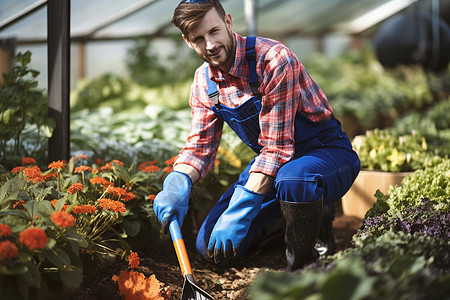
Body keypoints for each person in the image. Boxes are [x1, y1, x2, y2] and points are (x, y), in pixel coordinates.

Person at [154, 0, 360, 272]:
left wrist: (241, 210)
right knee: (209, 245)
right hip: (275, 165)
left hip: (323, 153)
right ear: (188, 41)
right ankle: (290, 221)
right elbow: (200, 148)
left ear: (228, 22)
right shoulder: (203, 83)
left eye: (214, 31)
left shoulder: (273, 60)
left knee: (296, 178)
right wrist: (177, 181)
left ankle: (305, 266)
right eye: (199, 39)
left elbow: (277, 149)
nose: (210, 45)